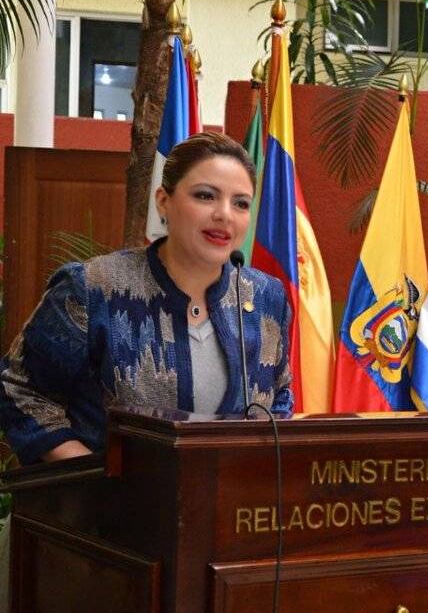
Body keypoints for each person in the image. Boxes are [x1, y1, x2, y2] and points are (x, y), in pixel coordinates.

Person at [0, 132, 293, 465]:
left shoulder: (266, 298)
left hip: (230, 495)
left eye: (241, 203)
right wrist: (94, 476)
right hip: (107, 496)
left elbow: (279, 398)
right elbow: (19, 391)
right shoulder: (94, 289)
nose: (225, 214)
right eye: (205, 195)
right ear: (163, 201)